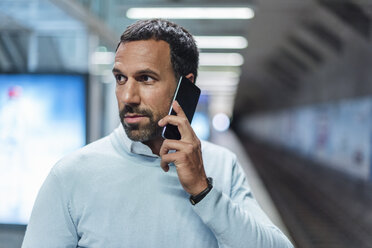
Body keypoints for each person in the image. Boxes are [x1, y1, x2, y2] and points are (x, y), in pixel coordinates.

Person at [22, 19, 293, 248]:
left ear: (185, 87)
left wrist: (203, 191)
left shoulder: (222, 166)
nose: (127, 96)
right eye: (120, 78)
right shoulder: (71, 175)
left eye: (146, 79)